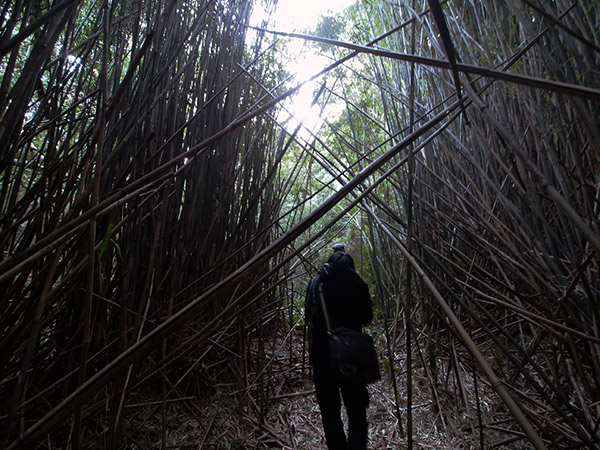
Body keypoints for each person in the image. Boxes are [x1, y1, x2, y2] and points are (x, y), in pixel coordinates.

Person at [305, 243, 374, 450]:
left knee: (329, 410)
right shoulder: (358, 283)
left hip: (322, 355)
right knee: (357, 409)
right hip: (351, 355)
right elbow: (367, 317)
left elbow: (309, 315)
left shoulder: (317, 283)